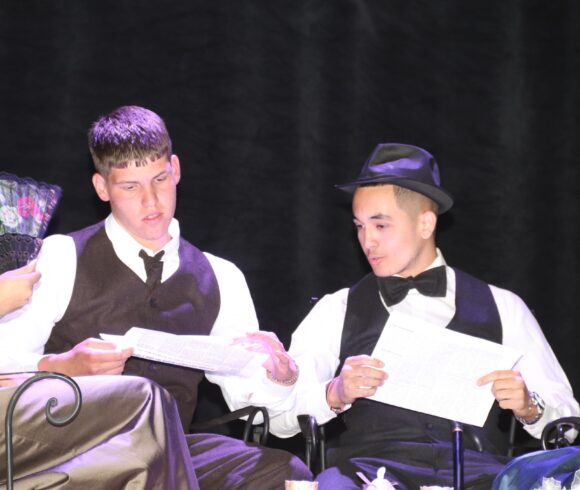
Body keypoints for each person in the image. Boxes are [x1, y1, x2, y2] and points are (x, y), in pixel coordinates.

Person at [0, 105, 311, 489]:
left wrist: (279, 376)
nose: (151, 201)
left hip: (172, 449)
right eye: (130, 187)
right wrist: (63, 366)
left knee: (283, 471)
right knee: (143, 440)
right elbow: (5, 366)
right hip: (79, 446)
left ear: (175, 169)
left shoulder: (221, 277)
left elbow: (258, 407)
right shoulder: (62, 256)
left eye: (160, 179)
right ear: (102, 188)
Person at [264, 143, 580, 489]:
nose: (367, 241)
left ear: (426, 223)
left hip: (479, 476)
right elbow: (280, 419)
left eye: (380, 225)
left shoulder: (504, 307)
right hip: (367, 475)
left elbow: (569, 426)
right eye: (359, 226)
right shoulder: (336, 309)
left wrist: (530, 407)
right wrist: (334, 393)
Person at [0, 263, 199, 489]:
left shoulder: (210, 271)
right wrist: (56, 367)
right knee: (140, 401)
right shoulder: (62, 253)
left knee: (229, 457)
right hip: (27, 418)